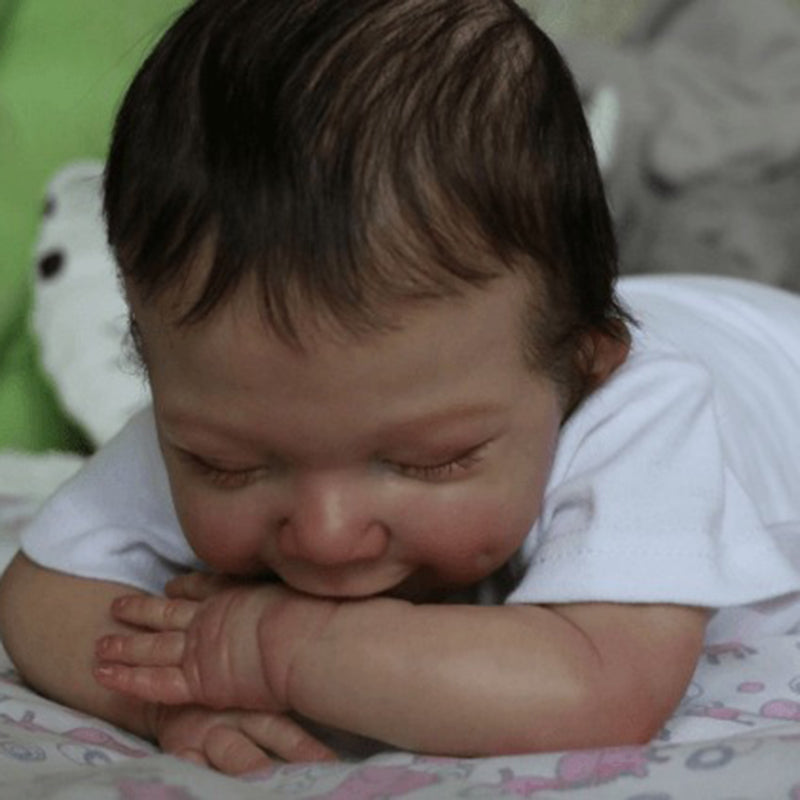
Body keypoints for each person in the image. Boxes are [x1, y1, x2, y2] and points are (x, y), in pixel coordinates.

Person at [2, 0, 800, 777]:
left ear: (583, 368)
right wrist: (165, 699)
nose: (325, 534)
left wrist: (271, 647)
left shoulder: (641, 410)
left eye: (429, 460)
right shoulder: (243, 405)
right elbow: (41, 595)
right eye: (230, 467)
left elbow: (595, 688)